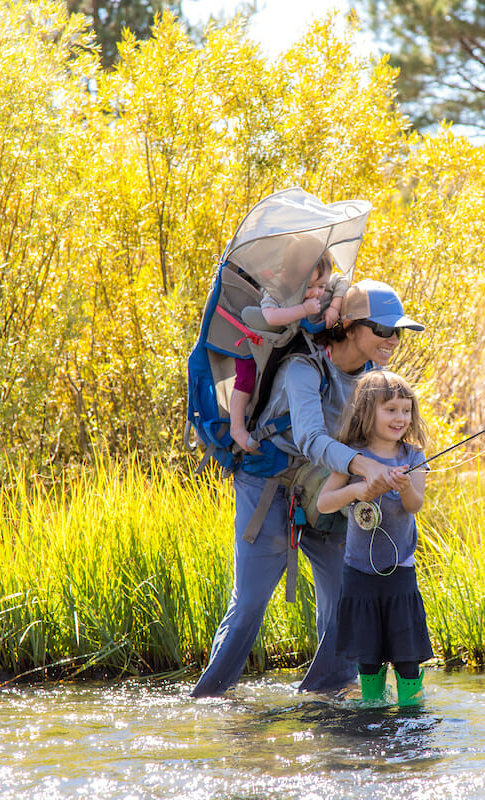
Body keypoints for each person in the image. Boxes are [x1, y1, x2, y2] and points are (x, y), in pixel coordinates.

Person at [191, 279, 425, 698]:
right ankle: (208, 700)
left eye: (398, 331)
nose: (393, 339)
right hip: (267, 488)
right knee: (248, 607)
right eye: (383, 329)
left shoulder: (376, 381)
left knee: (345, 602)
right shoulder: (304, 367)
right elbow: (310, 440)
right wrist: (362, 465)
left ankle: (327, 698)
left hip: (328, 496)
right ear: (350, 327)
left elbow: (380, 439)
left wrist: (394, 469)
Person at [316, 370, 434, 706]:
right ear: (368, 412)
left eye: (406, 410)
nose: (400, 418)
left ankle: (412, 716)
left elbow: (414, 506)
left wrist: (406, 485)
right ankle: (372, 714)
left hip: (399, 573)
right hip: (358, 575)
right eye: (391, 409)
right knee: (368, 658)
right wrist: (358, 488)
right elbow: (325, 503)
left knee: (407, 659)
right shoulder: (351, 456)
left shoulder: (413, 457)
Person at [228, 255, 347, 453]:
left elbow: (341, 281)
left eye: (322, 286)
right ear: (288, 278)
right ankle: (237, 428)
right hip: (257, 342)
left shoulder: (321, 286)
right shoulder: (277, 289)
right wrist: (304, 309)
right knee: (246, 379)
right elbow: (271, 316)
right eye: (309, 287)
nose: (317, 293)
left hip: (287, 341)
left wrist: (334, 305)